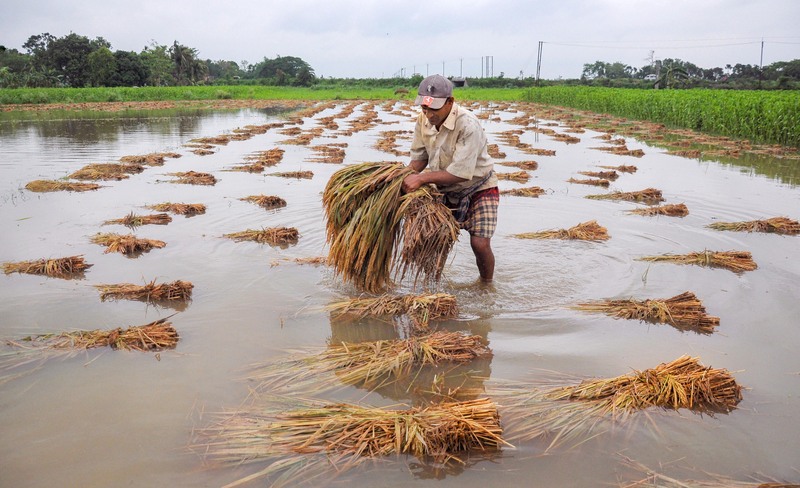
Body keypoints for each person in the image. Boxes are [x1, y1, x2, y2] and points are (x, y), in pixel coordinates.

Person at [401, 74, 499, 283]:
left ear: (450, 102)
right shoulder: (423, 120)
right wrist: (402, 176)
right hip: (443, 187)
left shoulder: (468, 125)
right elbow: (420, 158)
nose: (428, 114)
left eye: (434, 109)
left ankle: (486, 285)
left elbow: (460, 173)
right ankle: (433, 284)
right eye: (424, 108)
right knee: (435, 238)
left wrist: (420, 179)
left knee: (479, 244)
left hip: (478, 186)